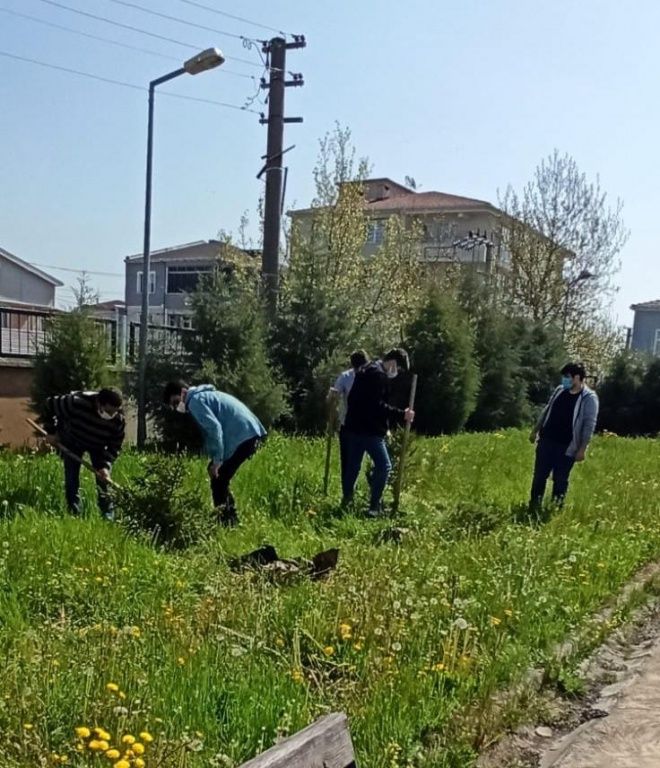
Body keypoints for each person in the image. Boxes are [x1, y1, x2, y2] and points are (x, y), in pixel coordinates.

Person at [163, 381, 266, 526]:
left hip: (243, 435)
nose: (176, 407)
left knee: (219, 477)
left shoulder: (195, 402)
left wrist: (217, 461)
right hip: (250, 432)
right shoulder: (205, 395)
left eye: (175, 402)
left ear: (183, 392)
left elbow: (214, 429)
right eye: (173, 406)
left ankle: (226, 522)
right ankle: (229, 518)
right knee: (218, 476)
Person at [342, 348, 415, 517]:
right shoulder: (378, 376)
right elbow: (378, 406)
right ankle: (374, 507)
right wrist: (402, 414)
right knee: (384, 466)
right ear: (393, 363)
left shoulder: (365, 370)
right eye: (399, 368)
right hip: (371, 431)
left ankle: (346, 501)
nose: (397, 372)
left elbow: (353, 399)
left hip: (353, 428)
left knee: (353, 466)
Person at [43, 388, 125, 520]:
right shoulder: (76, 402)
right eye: (109, 411)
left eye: (115, 411)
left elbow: (114, 446)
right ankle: (74, 512)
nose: (112, 415)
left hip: (98, 445)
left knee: (103, 479)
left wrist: (105, 465)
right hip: (72, 439)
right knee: (71, 477)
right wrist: (51, 432)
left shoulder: (118, 419)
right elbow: (49, 404)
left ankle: (107, 515)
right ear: (99, 403)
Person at [529, 362, 599, 510]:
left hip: (567, 446)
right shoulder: (560, 390)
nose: (564, 380)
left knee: (560, 479)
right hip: (546, 441)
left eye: (567, 377)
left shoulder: (588, 398)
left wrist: (582, 449)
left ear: (577, 378)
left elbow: (589, 425)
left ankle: (555, 507)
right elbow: (547, 410)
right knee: (539, 476)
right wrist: (536, 430)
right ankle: (534, 505)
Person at [327, 349, 369, 488]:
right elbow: (333, 396)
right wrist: (332, 396)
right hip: (347, 424)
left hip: (365, 425)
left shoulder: (372, 376)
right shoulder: (345, 377)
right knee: (346, 459)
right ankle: (347, 492)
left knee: (357, 461)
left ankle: (353, 488)